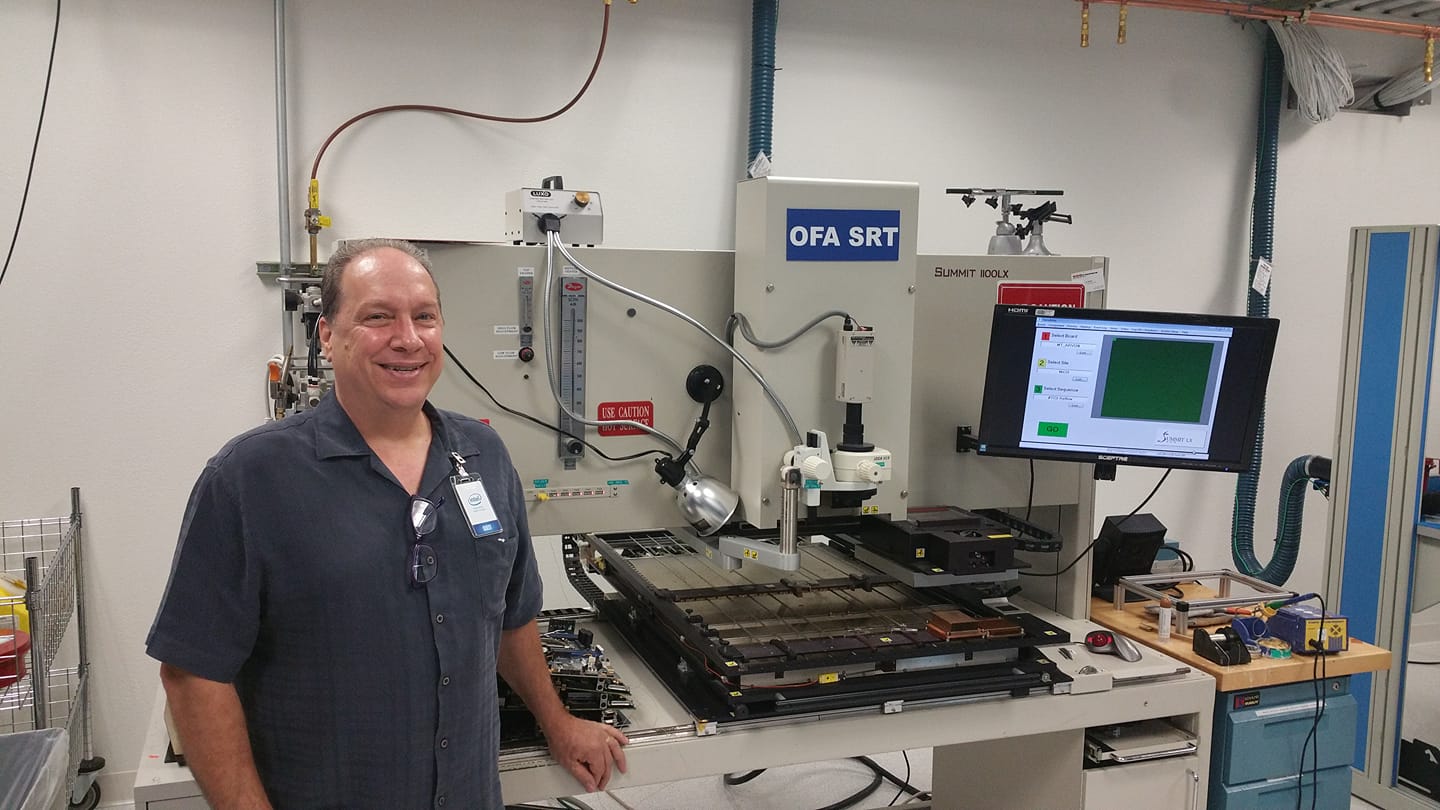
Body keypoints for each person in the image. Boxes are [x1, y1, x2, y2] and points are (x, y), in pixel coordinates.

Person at [147, 238, 627, 809]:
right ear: (327, 334)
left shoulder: (484, 454)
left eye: (424, 316)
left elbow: (511, 617)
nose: (407, 338)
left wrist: (557, 720)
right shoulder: (250, 479)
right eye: (378, 317)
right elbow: (193, 672)